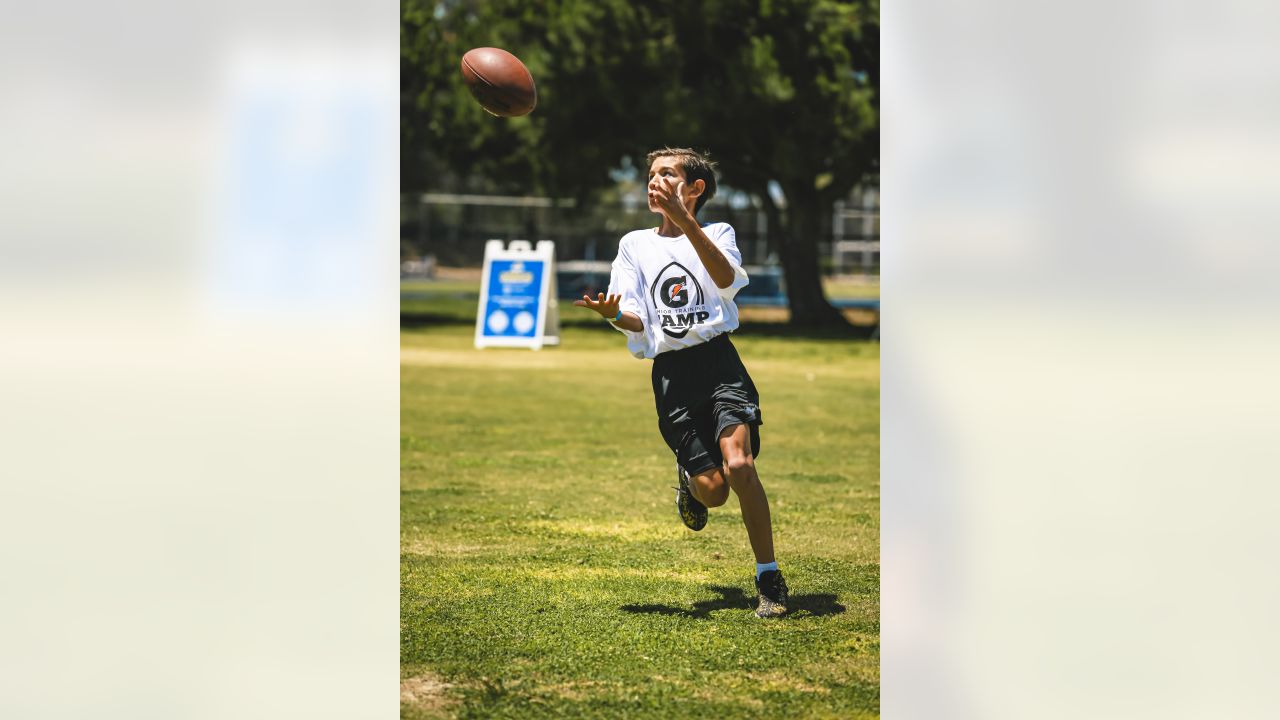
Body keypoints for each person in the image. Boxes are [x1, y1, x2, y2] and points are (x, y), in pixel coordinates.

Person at [574, 147, 788, 618]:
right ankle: (688, 482)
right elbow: (635, 317)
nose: (654, 181)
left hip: (719, 364)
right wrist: (614, 315)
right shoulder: (634, 245)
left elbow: (727, 280)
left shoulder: (717, 233)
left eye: (666, 174)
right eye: (651, 174)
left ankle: (768, 575)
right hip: (671, 375)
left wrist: (684, 222)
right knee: (712, 490)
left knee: (740, 466)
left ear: (695, 189)